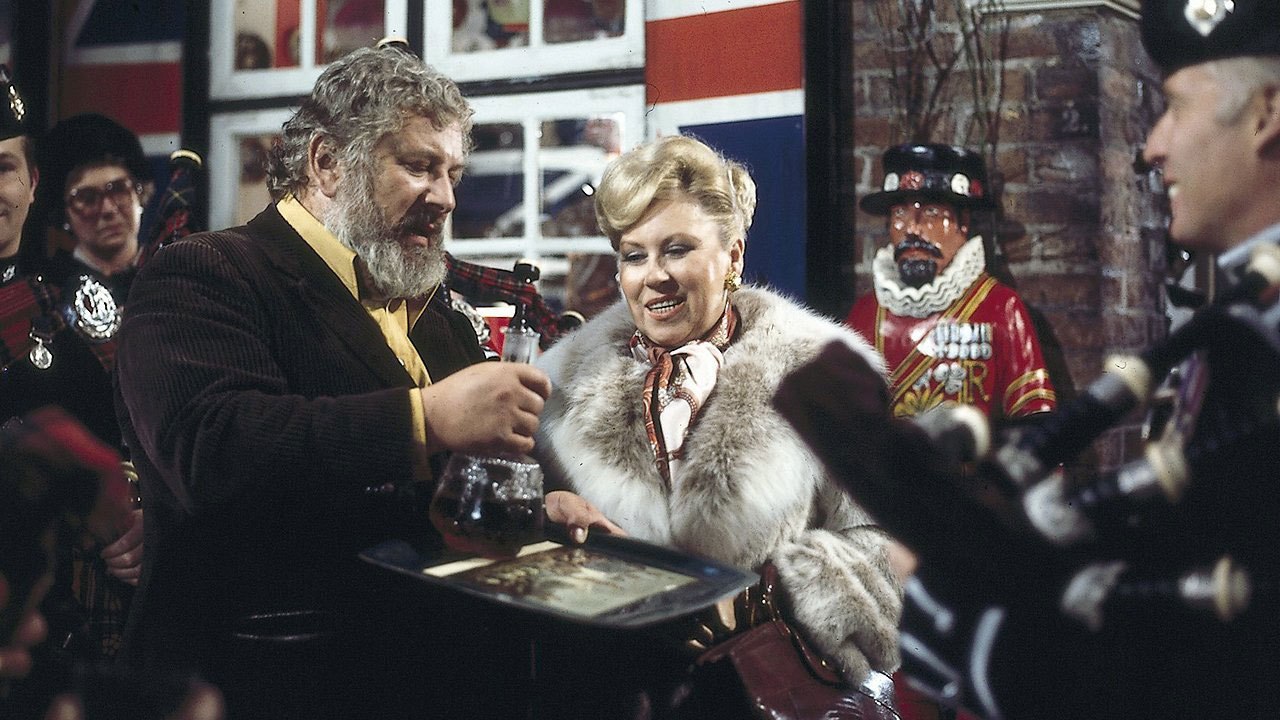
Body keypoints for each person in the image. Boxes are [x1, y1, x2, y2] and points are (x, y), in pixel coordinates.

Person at [776, 1, 1280, 717]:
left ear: (1266, 113)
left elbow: (1227, 645)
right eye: (902, 214)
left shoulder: (1001, 309)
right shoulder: (1243, 317)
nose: (1153, 145)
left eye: (1174, 106)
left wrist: (983, 625)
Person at [113, 46, 551, 717]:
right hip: (267, 688)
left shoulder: (436, 309)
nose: (446, 198)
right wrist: (425, 418)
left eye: (453, 173)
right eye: (419, 166)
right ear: (327, 162)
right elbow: (212, 448)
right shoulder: (203, 271)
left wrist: (541, 512)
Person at [534, 135, 904, 717]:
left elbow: (887, 542)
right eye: (634, 255)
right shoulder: (559, 384)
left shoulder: (820, 371)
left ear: (733, 257)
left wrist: (776, 594)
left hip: (764, 696)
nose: (654, 277)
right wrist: (550, 516)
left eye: (677, 249)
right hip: (611, 696)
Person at [0, 72, 143, 705]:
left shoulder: (72, 299)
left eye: (3, 169)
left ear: (32, 184)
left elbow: (141, 439)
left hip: (69, 618)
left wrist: (142, 521)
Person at [847, 144, 1056, 422]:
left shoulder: (1000, 308)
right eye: (900, 213)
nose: (912, 228)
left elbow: (1034, 417)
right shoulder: (865, 315)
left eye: (931, 213)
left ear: (963, 223)